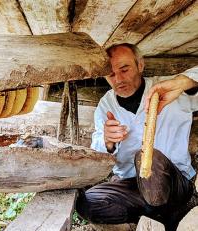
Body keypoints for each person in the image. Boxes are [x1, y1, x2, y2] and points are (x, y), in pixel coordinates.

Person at [75, 43, 198, 230]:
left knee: (148, 160)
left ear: (140, 65)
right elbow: (97, 151)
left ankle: (169, 211)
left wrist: (184, 82)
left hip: (174, 183)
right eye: (110, 74)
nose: (118, 79)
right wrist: (107, 142)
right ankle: (160, 216)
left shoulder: (170, 90)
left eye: (124, 69)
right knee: (86, 203)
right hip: (132, 186)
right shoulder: (106, 105)